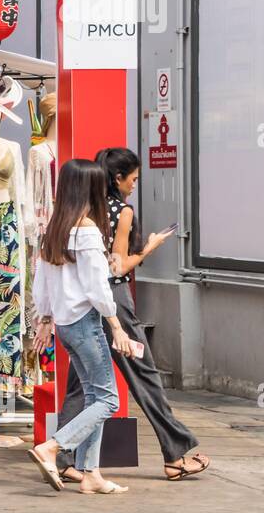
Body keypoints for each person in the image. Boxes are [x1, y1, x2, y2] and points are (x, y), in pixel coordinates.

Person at [53, 148, 210, 483]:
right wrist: (149, 247)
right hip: (115, 303)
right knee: (144, 375)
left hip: (82, 305)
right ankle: (175, 453)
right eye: (133, 179)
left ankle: (63, 458)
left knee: (81, 385)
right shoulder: (122, 212)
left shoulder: (85, 212)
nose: (135, 185)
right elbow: (119, 265)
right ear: (118, 179)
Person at [28, 159, 135, 495]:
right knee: (108, 400)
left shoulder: (56, 229)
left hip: (64, 324)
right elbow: (97, 287)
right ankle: (54, 447)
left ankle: (90, 473)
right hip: (86, 323)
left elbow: (41, 284)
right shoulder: (87, 230)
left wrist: (45, 319)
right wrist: (116, 324)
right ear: (90, 189)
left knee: (93, 397)